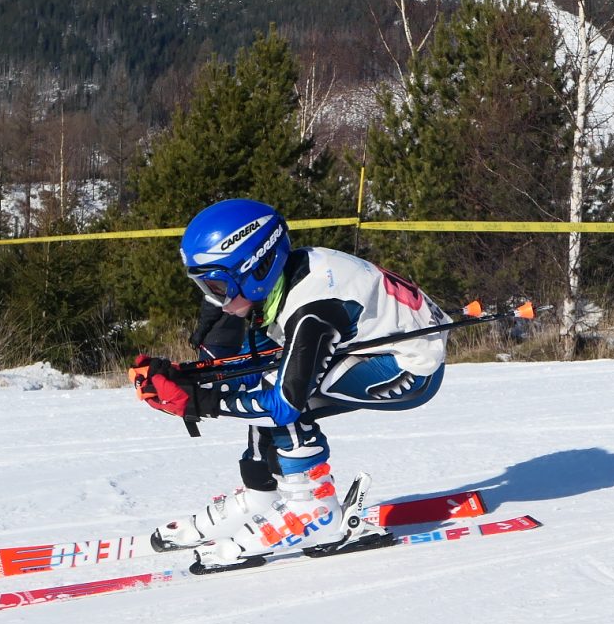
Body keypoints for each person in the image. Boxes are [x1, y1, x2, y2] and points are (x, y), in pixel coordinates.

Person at [130, 198, 450, 569]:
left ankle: (314, 509)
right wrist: (189, 378)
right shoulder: (283, 279)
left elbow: (284, 403)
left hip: (407, 370)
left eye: (216, 286)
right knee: (263, 378)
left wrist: (200, 402)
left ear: (257, 269)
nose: (211, 299)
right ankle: (262, 495)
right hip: (374, 346)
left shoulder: (311, 310)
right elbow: (242, 366)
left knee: (282, 393)